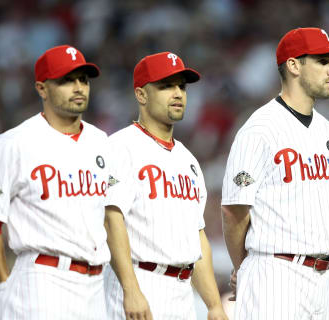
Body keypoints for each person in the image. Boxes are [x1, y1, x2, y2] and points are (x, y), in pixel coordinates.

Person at [221, 27, 329, 319]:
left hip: (321, 280)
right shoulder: (259, 128)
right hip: (275, 274)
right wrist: (245, 266)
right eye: (322, 61)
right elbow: (234, 211)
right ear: (293, 65)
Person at [0, 45, 110, 319]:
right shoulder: (12, 144)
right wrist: (4, 280)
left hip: (97, 286)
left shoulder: (101, 141)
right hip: (42, 282)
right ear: (42, 88)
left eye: (83, 79)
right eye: (66, 80)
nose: (78, 87)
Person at [103, 52, 228, 320]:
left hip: (182, 292)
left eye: (181, 86)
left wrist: (214, 305)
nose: (177, 93)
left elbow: (197, 238)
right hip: (141, 281)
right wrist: (131, 288)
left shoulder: (188, 161)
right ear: (141, 95)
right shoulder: (120, 147)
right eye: (166, 86)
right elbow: (111, 220)